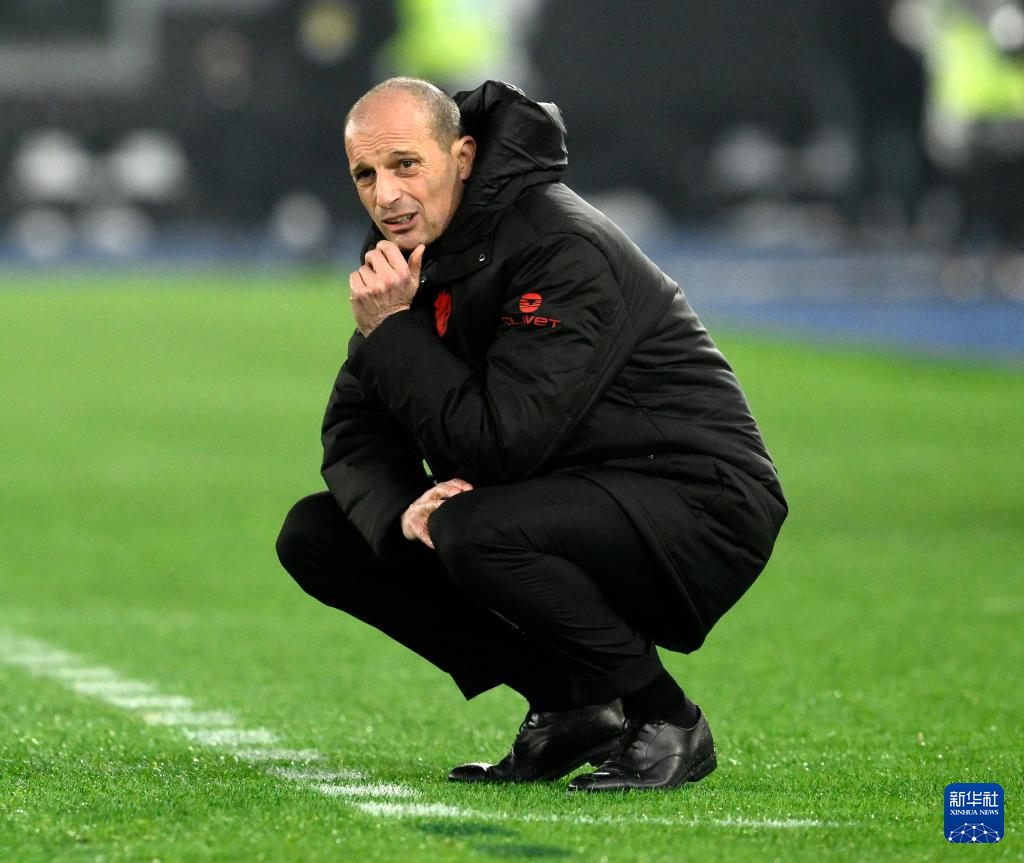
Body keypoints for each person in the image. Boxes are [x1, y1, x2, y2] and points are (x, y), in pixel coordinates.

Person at [276, 77, 787, 792]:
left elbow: (503, 444)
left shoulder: (558, 245)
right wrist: (404, 510)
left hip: (698, 500)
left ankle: (666, 717)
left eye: (405, 164)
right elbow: (355, 435)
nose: (386, 194)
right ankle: (571, 703)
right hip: (570, 489)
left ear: (462, 156)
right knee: (320, 535)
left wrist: (393, 331)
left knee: (474, 530)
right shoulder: (414, 245)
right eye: (366, 174)